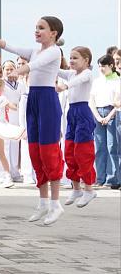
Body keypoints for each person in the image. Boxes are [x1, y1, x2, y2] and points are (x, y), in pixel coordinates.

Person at [0, 15, 67, 225]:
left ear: (53, 33)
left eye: (41, 28)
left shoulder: (54, 51)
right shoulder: (35, 50)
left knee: (49, 152)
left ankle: (56, 204)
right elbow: (12, 48)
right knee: (35, 152)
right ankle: (43, 202)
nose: (37, 31)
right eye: (36, 27)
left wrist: (15, 73)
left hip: (47, 100)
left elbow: (35, 66)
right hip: (33, 101)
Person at [57, 47, 97, 207]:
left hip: (83, 113)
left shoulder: (87, 73)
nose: (71, 61)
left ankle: (89, 189)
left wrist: (65, 86)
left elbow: (77, 82)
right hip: (72, 113)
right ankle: (76, 188)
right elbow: (57, 70)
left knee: (83, 152)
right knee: (69, 151)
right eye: (70, 58)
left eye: (75, 58)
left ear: (86, 60)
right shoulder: (71, 73)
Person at [90, 54, 120, 189]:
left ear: (111, 66)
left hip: (112, 113)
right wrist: (97, 116)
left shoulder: (117, 80)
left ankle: (112, 179)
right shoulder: (97, 81)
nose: (101, 69)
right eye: (99, 66)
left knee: (112, 147)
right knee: (100, 147)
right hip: (98, 113)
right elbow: (91, 100)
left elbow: (118, 103)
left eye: (104, 66)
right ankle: (100, 178)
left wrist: (109, 116)